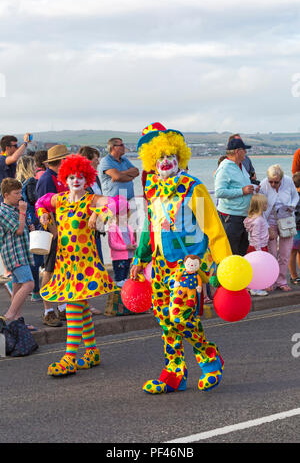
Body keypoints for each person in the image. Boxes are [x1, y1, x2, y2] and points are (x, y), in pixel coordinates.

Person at [131, 122, 232, 394]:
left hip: (188, 263)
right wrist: (140, 257)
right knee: (164, 318)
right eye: (160, 157)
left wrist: (222, 265)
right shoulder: (153, 190)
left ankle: (210, 357)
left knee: (179, 314)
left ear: (179, 157)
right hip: (161, 264)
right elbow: (148, 226)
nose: (165, 162)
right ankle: (174, 373)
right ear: (152, 160)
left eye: (170, 156)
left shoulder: (192, 187)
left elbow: (213, 227)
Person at [36, 154, 120, 376]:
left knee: (73, 304)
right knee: (80, 307)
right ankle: (91, 351)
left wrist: (98, 214)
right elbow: (39, 202)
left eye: (80, 177)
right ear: (65, 178)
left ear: (87, 178)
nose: (76, 180)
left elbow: (113, 204)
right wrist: (43, 215)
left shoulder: (91, 200)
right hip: (66, 263)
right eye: (71, 177)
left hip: (84, 265)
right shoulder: (60, 199)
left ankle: (70, 356)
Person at [36, 145, 69, 327]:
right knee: (48, 270)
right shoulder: (48, 179)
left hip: (64, 231)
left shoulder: (57, 177)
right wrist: (53, 232)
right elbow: (43, 208)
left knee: (60, 270)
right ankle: (48, 311)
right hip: (54, 231)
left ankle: (62, 307)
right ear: (61, 161)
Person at [0, 178, 35, 330]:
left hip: (22, 252)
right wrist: (22, 211)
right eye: (16, 193)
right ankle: (10, 314)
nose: (20, 196)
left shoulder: (14, 209)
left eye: (20, 192)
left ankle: (18, 322)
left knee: (17, 286)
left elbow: (26, 227)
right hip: (14, 254)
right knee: (29, 283)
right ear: (6, 195)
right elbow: (18, 230)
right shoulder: (2, 211)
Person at [259, 164, 299, 292]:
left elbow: (295, 196)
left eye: (276, 182)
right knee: (272, 254)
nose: (273, 184)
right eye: (271, 181)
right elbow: (260, 206)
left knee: (285, 253)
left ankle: (282, 281)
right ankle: (271, 280)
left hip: (286, 220)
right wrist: (266, 226)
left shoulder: (288, 181)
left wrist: (292, 206)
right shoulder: (264, 184)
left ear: (281, 179)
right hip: (270, 221)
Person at [214, 136, 256, 256]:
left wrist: (252, 187)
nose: (246, 153)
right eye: (244, 150)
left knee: (242, 251)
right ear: (237, 152)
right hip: (231, 217)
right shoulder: (224, 168)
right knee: (231, 253)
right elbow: (219, 192)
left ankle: (241, 274)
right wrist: (242, 191)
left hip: (243, 216)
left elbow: (243, 184)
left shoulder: (240, 165)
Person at [0, 133, 31, 281]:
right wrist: (25, 143)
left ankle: (13, 269)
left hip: (12, 201)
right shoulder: (2, 159)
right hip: (4, 202)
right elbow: (13, 158)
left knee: (15, 235)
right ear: (7, 148)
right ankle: (8, 269)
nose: (17, 148)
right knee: (6, 237)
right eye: (15, 145)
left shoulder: (11, 164)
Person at [78, 146, 104, 315]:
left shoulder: (95, 178)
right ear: (87, 160)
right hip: (83, 230)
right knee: (86, 266)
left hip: (96, 227)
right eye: (96, 158)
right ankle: (84, 304)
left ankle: (86, 303)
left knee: (94, 265)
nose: (99, 161)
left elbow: (101, 199)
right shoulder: (79, 179)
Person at [16, 155, 44, 302]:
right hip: (34, 221)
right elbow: (34, 199)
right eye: (33, 165)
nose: (36, 168)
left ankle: (24, 287)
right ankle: (36, 291)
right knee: (37, 257)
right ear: (29, 167)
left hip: (23, 220)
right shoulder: (32, 181)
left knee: (27, 257)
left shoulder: (18, 183)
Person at [243, 194, 269, 296]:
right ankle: (255, 289)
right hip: (258, 248)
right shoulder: (258, 220)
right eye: (265, 203)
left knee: (255, 269)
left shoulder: (259, 217)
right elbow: (255, 236)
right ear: (261, 205)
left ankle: (253, 287)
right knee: (257, 269)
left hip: (259, 246)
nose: (267, 205)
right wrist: (259, 251)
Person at [108, 200, 137, 287]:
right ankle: (117, 297)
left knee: (127, 279)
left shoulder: (129, 227)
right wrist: (126, 247)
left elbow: (132, 240)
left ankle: (124, 296)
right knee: (120, 279)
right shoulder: (113, 228)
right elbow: (112, 244)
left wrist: (135, 246)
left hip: (129, 256)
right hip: (119, 258)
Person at [288, 172, 300, 284]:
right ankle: (294, 276)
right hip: (295, 229)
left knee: (295, 252)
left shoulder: (292, 196)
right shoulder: (294, 198)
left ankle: (295, 276)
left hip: (295, 228)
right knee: (293, 252)